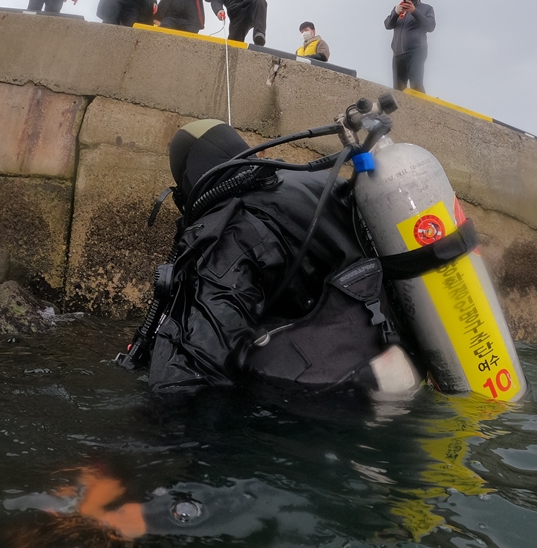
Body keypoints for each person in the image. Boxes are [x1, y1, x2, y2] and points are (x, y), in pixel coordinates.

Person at [139, 119, 420, 395]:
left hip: (354, 386)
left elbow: (196, 362)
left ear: (189, 183)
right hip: (398, 344)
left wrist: (156, 419)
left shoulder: (233, 230)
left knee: (245, 362)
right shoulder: (314, 180)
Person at [384, 0, 436, 93]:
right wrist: (395, 13)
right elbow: (387, 25)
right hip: (398, 54)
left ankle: (422, 110)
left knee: (416, 86)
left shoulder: (427, 9)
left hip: (416, 51)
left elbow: (430, 26)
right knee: (398, 90)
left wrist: (414, 11)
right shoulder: (399, 8)